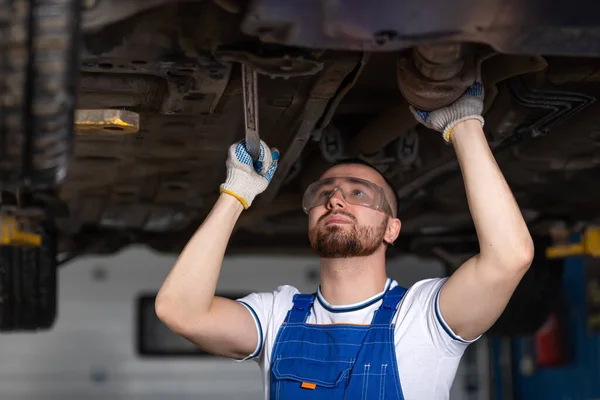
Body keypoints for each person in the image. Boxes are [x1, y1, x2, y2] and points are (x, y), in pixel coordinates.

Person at [155, 79, 534, 400]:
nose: (335, 198)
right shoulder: (277, 316)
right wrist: (235, 194)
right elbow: (181, 311)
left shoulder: (423, 318)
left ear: (391, 228)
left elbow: (509, 257)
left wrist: (464, 125)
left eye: (359, 193)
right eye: (325, 193)